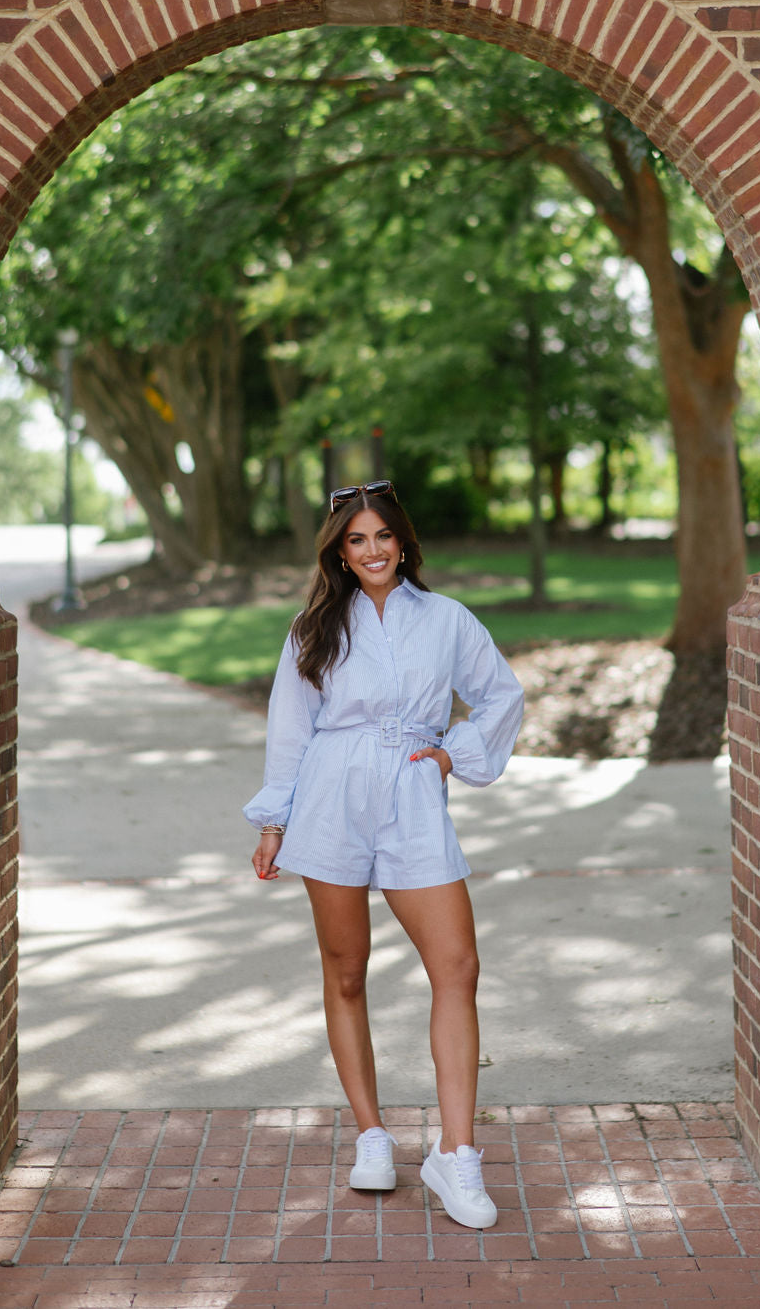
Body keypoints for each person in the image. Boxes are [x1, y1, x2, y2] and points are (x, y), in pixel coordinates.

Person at [244, 480, 524, 1230]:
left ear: (404, 541)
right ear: (340, 549)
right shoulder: (313, 628)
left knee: (457, 966)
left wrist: (450, 756)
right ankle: (371, 1134)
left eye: (383, 536)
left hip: (411, 789)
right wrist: (273, 820)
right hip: (331, 795)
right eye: (356, 539)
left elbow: (501, 695)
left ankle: (456, 1153)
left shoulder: (446, 619)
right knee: (345, 970)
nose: (372, 549)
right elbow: (290, 729)